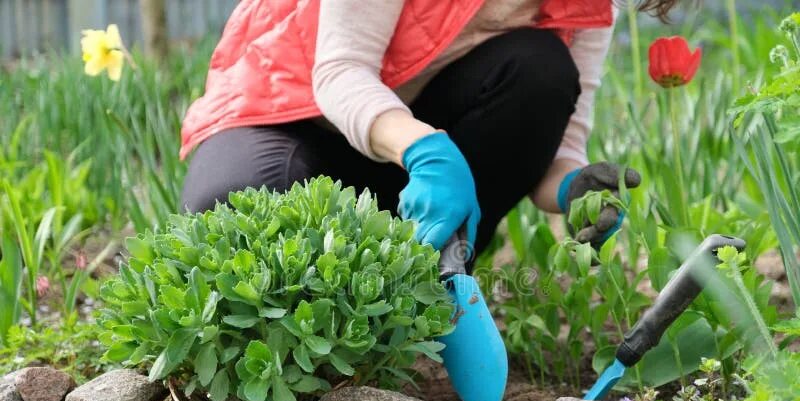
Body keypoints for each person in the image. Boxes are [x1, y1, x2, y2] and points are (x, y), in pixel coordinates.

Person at [179, 0, 678, 257]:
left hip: (413, 171)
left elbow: (559, 146)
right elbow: (339, 71)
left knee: (541, 69)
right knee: (238, 207)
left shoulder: (588, 6)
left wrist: (572, 187)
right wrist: (425, 150)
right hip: (292, 120)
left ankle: (430, 281)